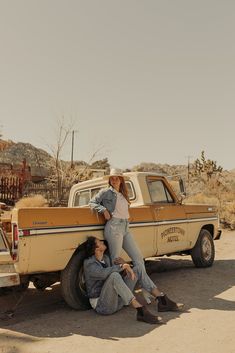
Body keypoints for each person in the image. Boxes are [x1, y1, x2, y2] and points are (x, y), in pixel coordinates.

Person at [83, 236, 184, 324]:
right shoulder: (89, 264)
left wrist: (125, 265)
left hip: (117, 301)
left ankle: (162, 301)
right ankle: (140, 311)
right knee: (114, 275)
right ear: (96, 249)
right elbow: (104, 274)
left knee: (138, 268)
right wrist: (123, 266)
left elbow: (118, 274)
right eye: (99, 242)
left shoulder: (106, 258)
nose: (102, 242)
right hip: (103, 306)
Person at [89, 168, 144, 267]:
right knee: (116, 259)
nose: (114, 181)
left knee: (138, 258)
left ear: (121, 180)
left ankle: (143, 282)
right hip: (114, 227)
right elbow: (92, 202)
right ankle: (115, 282)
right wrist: (104, 210)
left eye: (117, 178)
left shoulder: (124, 194)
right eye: (112, 179)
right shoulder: (105, 192)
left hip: (125, 227)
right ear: (109, 180)